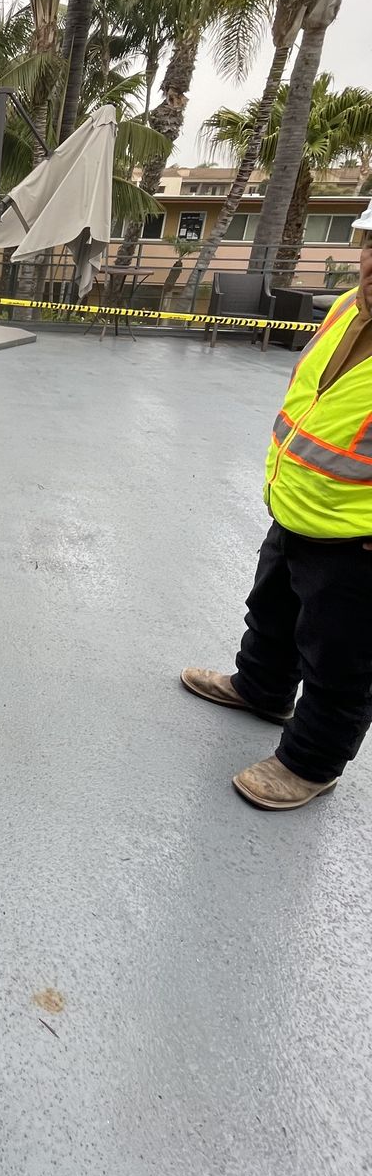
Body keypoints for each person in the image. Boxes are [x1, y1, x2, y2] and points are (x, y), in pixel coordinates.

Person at [181, 206, 372, 810]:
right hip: (300, 501)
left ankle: (311, 764)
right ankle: (261, 687)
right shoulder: (347, 306)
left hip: (359, 535)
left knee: (342, 656)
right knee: (273, 606)